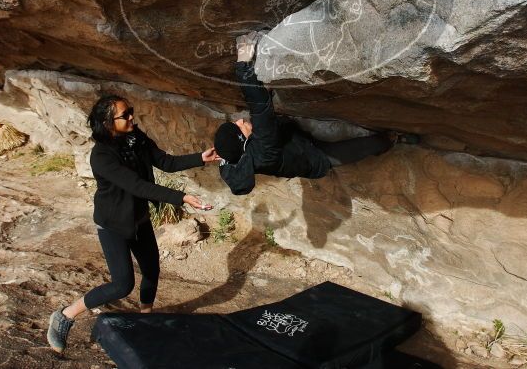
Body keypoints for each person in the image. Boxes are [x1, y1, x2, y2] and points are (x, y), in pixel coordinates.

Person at [46, 95, 220, 354]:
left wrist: (201, 158)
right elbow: (137, 186)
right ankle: (65, 315)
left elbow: (165, 162)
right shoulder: (102, 156)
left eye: (131, 112)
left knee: (151, 270)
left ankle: (146, 319)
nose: (131, 118)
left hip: (139, 219)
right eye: (125, 115)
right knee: (122, 285)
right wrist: (181, 198)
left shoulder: (135, 137)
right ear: (107, 122)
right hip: (114, 225)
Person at [214, 32, 419, 196]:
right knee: (367, 146)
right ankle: (393, 140)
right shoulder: (264, 152)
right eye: (239, 126)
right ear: (244, 142)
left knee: (273, 118)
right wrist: (243, 63)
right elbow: (258, 108)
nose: (240, 120)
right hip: (316, 159)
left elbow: (229, 147)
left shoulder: (231, 157)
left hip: (292, 139)